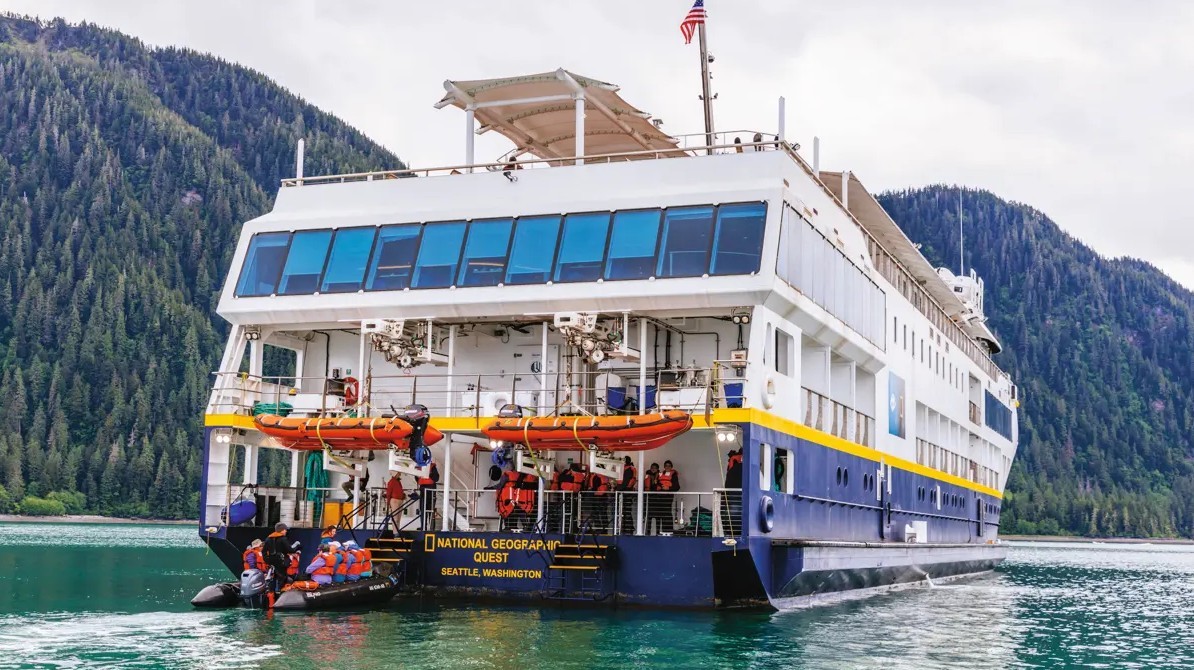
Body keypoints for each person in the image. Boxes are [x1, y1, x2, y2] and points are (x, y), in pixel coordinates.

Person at [261, 522, 292, 590]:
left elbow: (264, 551)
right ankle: (281, 593)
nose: (286, 531)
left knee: (272, 579)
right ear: (281, 530)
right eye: (285, 529)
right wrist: (297, 547)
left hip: (272, 563)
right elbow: (290, 550)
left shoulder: (268, 539)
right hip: (281, 563)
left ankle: (271, 594)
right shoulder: (283, 539)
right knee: (282, 578)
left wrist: (267, 560)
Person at [414, 459, 440, 530]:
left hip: (430, 490)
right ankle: (423, 526)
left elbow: (436, 478)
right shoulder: (419, 467)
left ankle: (431, 528)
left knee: (431, 509)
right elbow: (417, 478)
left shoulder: (433, 467)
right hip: (423, 490)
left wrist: (428, 474)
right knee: (423, 509)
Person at [723, 449, 743, 536]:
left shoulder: (733, 464)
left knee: (732, 514)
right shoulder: (747, 467)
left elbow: (728, 481)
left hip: (731, 494)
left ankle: (730, 530)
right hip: (741, 495)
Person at [657, 460, 680, 534]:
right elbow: (657, 483)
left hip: (668, 496)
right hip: (660, 497)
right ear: (664, 467)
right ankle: (662, 531)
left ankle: (669, 530)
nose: (667, 467)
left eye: (669, 466)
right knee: (661, 513)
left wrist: (668, 488)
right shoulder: (660, 474)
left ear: (671, 467)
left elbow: (677, 487)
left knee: (667, 513)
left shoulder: (674, 475)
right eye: (666, 466)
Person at [618, 456, 638, 535]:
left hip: (627, 491)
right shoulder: (621, 468)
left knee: (627, 511)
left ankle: (629, 528)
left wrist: (627, 487)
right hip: (620, 491)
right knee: (622, 511)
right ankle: (623, 528)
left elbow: (632, 479)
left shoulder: (631, 469)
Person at [644, 462, 662, 534]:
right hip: (649, 498)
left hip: (658, 499)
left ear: (657, 469)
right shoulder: (647, 475)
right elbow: (644, 485)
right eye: (652, 468)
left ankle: (658, 532)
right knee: (648, 517)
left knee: (658, 517)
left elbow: (661, 484)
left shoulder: (660, 475)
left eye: (655, 468)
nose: (653, 469)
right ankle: (648, 533)